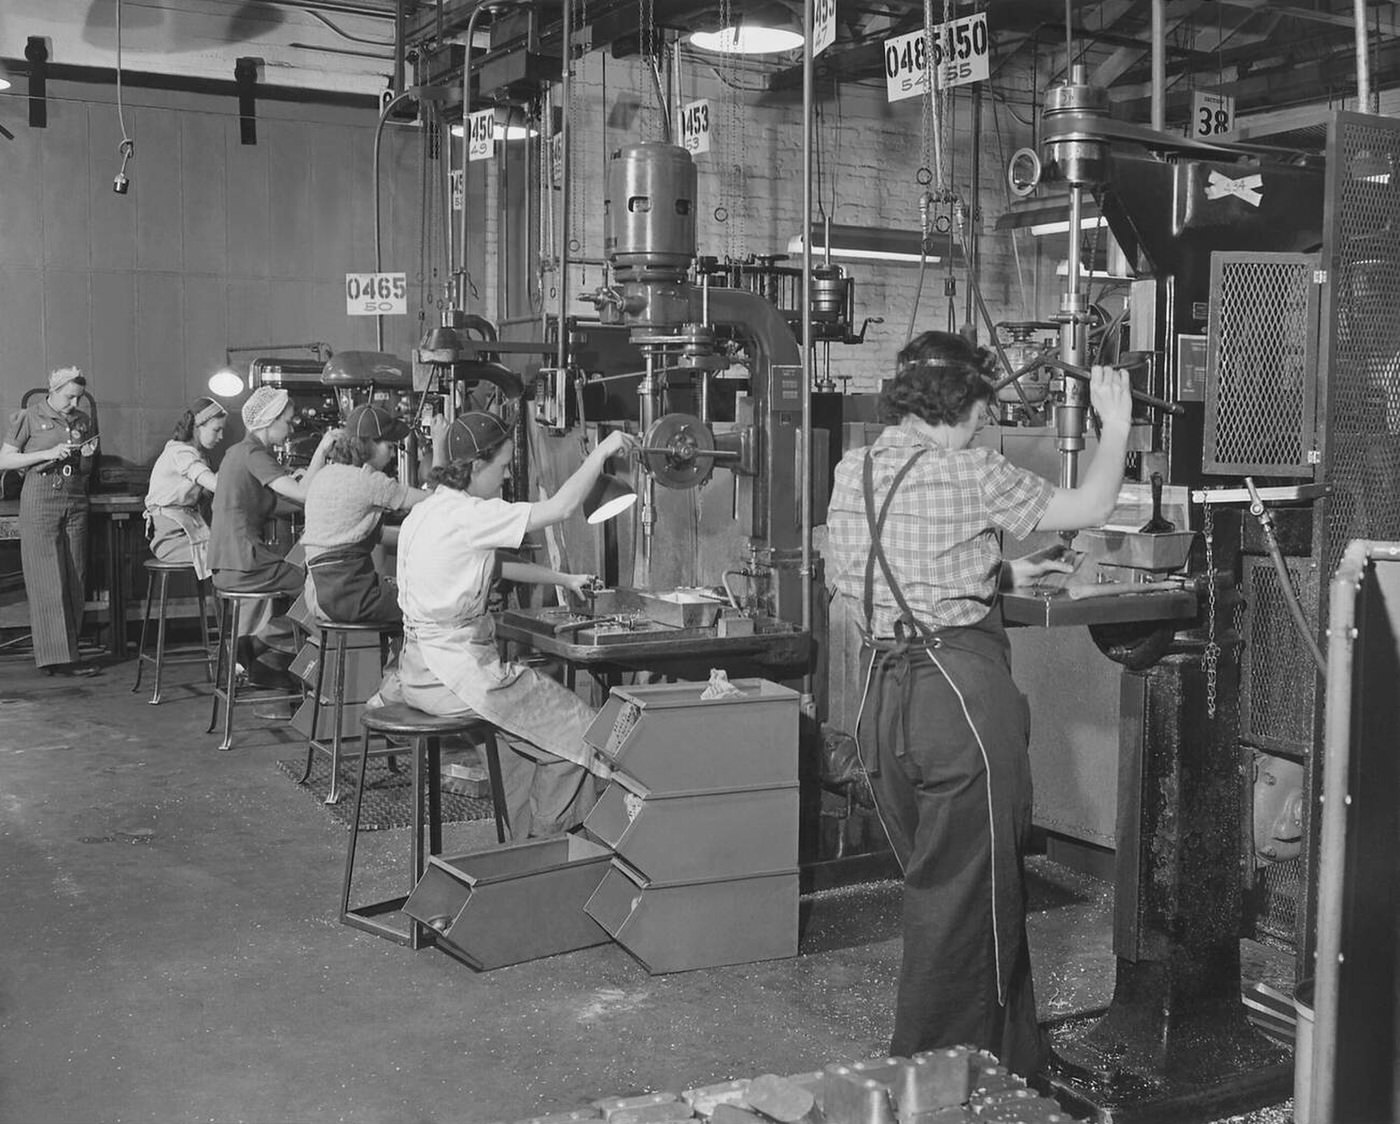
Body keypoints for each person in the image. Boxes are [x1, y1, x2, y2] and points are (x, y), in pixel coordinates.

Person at [824, 331, 1132, 1077]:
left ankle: (1011, 1064)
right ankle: (938, 1079)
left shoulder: (855, 466)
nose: (989, 418)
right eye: (984, 404)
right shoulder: (971, 470)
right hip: (956, 702)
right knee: (965, 903)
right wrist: (1115, 423)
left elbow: (893, 567)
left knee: (957, 888)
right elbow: (1094, 502)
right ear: (959, 402)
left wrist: (1006, 571)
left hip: (881, 704)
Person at [373, 411, 637, 840]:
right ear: (476, 466)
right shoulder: (470, 514)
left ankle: (521, 845)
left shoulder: (429, 509)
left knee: (521, 748)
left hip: (417, 671)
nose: (508, 475)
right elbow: (561, 507)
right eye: (503, 465)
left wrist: (563, 579)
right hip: (454, 677)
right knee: (583, 734)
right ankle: (548, 848)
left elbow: (492, 563)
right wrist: (603, 451)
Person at [208, 385, 337, 689]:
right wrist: (323, 449)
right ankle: (312, 670)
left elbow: (275, 503)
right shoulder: (253, 454)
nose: (291, 429)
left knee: (300, 594)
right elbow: (302, 494)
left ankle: (254, 648)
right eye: (288, 422)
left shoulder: (236, 453)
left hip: (225, 563)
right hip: (244, 563)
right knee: (321, 590)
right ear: (270, 420)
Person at [301, 404, 445, 624]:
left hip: (317, 595)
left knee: (409, 592)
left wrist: (416, 537)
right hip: (347, 598)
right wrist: (440, 444)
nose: (392, 454)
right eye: (389, 446)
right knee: (437, 603)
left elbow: (372, 534)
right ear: (368, 444)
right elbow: (438, 500)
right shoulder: (367, 481)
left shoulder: (326, 474)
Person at [0, 367, 102, 677]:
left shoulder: (82, 420)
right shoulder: (29, 417)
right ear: (53, 391)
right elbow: (5, 459)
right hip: (40, 498)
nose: (75, 403)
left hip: (75, 499)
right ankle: (55, 658)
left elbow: (86, 470)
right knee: (46, 579)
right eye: (69, 397)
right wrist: (47, 453)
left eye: (79, 398)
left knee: (75, 576)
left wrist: (87, 455)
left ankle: (70, 652)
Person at [143, 398, 228, 579]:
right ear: (198, 426)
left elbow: (209, 492)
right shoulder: (181, 453)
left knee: (230, 550)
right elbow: (216, 486)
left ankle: (225, 597)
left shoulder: (194, 455)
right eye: (216, 430)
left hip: (187, 531)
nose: (221, 436)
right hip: (171, 539)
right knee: (229, 556)